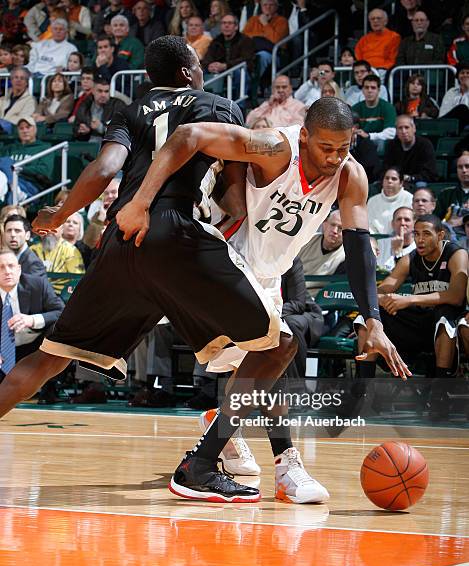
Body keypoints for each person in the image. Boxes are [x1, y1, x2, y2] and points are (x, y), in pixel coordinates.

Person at [0, 36, 302, 505]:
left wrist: (57, 216)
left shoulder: (129, 110)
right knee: (275, 343)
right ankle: (213, 465)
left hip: (120, 239)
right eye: (198, 64)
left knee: (48, 357)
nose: (201, 71)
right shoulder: (218, 105)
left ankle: (230, 454)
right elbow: (236, 199)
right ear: (187, 72)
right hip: (178, 236)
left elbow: (104, 168)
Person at [118, 95, 410, 495]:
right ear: (304, 136)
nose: (334, 157)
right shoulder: (275, 148)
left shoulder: (350, 176)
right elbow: (191, 135)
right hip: (220, 258)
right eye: (325, 147)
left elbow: (359, 247)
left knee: (267, 362)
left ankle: (225, 438)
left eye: (344, 148)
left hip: (266, 274)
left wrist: (373, 320)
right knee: (280, 345)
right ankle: (225, 465)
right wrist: (142, 201)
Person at [354, 215, 468, 418]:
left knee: (445, 318)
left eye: (426, 234)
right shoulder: (411, 258)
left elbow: (456, 297)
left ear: (440, 235)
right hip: (417, 324)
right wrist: (387, 299)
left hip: (444, 325)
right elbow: (379, 293)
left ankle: (439, 395)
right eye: (416, 234)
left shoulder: (456, 253)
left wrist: (409, 299)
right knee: (367, 318)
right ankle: (364, 392)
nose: (420, 239)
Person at [0, 249, 64, 383]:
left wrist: (32, 319)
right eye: (1, 267)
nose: (7, 271)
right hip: (2, 352)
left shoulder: (37, 285)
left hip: (34, 348)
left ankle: (50, 389)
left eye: (11, 266)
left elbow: (61, 311)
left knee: (57, 328)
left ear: (19, 269)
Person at [0, 117, 53, 205]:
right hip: (7, 181)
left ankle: (14, 187)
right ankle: (13, 186)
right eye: (21, 128)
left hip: (30, 184)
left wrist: (19, 168)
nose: (25, 131)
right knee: (5, 163)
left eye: (28, 127)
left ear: (35, 129)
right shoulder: (10, 148)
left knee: (7, 162)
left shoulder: (44, 148)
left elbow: (45, 170)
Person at [201, 12, 255, 96]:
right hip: (220, 72)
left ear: (236, 26)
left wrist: (226, 66)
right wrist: (210, 66)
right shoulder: (216, 41)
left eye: (230, 23)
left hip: (238, 72)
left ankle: (240, 106)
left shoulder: (245, 40)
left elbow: (247, 59)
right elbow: (207, 58)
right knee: (199, 71)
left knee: (239, 72)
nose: (226, 26)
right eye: (224, 23)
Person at [298, 209, 345, 299]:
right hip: (292, 292)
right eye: (332, 225)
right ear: (324, 224)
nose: (335, 231)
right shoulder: (306, 240)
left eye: (340, 228)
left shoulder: (346, 256)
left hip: (318, 300)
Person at [383, 114, 438, 188]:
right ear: (396, 131)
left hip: (417, 181)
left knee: (421, 185)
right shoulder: (391, 145)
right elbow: (386, 167)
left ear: (414, 128)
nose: (403, 131)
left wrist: (410, 178)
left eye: (406, 127)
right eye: (400, 128)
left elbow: (430, 173)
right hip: (396, 180)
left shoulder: (425, 145)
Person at [243, 0, 288, 79]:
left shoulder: (282, 21)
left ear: (276, 7)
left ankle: (252, 84)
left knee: (262, 56)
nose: (268, 7)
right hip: (253, 51)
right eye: (265, 5)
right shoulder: (253, 20)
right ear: (261, 6)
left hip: (275, 54)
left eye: (271, 5)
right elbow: (243, 37)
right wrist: (261, 36)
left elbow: (276, 41)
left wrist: (265, 24)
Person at [73, 77, 126, 142]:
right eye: (100, 91)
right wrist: (81, 130)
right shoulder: (84, 105)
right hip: (87, 145)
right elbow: (75, 128)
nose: (103, 95)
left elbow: (122, 131)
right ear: (93, 91)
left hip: (110, 145)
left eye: (106, 91)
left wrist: (102, 128)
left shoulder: (118, 105)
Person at [351, 74, 397, 150]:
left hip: (380, 142)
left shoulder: (388, 107)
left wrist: (369, 136)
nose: (369, 91)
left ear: (378, 90)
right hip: (361, 141)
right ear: (362, 90)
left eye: (373, 88)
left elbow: (390, 133)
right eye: (366, 88)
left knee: (381, 143)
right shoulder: (355, 108)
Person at [367, 167, 413, 236]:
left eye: (394, 179)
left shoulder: (409, 198)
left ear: (401, 183)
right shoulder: (372, 201)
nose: (389, 181)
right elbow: (368, 225)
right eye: (387, 178)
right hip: (375, 240)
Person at [376, 206, 416, 271]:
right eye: (399, 219)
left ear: (415, 224)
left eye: (407, 220)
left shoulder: (419, 246)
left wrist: (397, 253)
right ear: (392, 224)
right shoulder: (379, 244)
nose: (402, 223)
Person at [0, 66, 36, 134]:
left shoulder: (31, 100)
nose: (18, 80)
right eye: (16, 77)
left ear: (26, 83)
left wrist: (4, 121)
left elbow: (24, 119)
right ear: (11, 80)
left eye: (22, 78)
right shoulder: (2, 99)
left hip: (15, 129)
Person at [438, 154, 469, 232]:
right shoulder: (446, 194)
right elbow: (436, 220)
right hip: (450, 237)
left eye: (467, 166)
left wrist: (462, 220)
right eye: (460, 167)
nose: (464, 170)